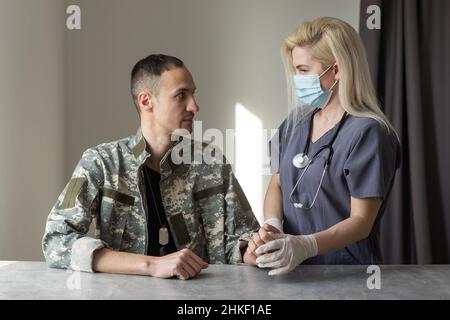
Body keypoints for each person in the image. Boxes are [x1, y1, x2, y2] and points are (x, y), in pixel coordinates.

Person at [42, 54, 260, 280]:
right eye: (181, 95)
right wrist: (150, 265)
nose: (194, 106)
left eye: (193, 94)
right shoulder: (101, 162)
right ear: (146, 101)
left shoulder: (212, 162)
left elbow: (241, 238)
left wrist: (251, 250)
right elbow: (56, 241)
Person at [244, 17, 401, 275]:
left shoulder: (369, 133)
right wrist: (273, 228)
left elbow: (361, 221)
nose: (297, 79)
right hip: (289, 271)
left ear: (336, 70)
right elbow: (278, 184)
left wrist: (306, 245)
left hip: (348, 274)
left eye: (304, 70)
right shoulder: (294, 124)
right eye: (295, 70)